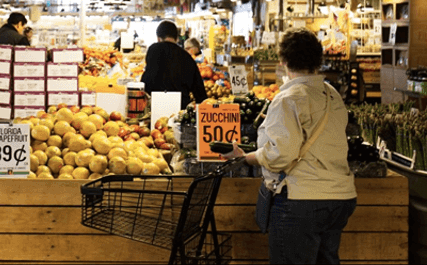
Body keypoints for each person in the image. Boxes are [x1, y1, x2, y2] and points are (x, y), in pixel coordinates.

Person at [223, 28, 356, 264]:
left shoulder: (287, 99)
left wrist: (247, 157)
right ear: (318, 60)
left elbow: (280, 155)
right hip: (340, 198)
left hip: (301, 201)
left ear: (283, 61)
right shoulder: (332, 94)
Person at [141, 21, 208, 110]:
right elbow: (200, 93)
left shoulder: (154, 50)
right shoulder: (187, 57)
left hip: (155, 106)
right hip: (181, 110)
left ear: (158, 38)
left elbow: (147, 79)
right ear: (177, 38)